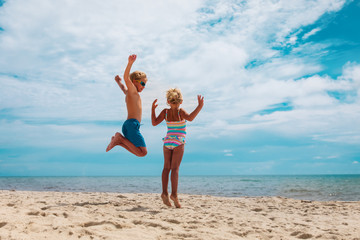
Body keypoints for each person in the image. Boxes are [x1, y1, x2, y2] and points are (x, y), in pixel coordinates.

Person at [152, 88, 204, 207]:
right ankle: (174, 194)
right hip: (178, 142)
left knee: (166, 168)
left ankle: (164, 192)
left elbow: (154, 123)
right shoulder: (181, 112)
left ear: (168, 101)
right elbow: (190, 118)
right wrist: (199, 106)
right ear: (181, 101)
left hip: (167, 141)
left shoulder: (165, 112)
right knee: (175, 169)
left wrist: (152, 110)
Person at [106, 54, 147, 157]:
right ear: (134, 82)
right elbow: (126, 78)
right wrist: (130, 63)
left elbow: (123, 88)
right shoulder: (133, 92)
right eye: (143, 83)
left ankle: (118, 141)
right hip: (132, 124)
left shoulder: (130, 94)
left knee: (140, 152)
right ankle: (119, 138)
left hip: (130, 125)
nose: (144, 86)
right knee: (143, 152)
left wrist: (118, 82)